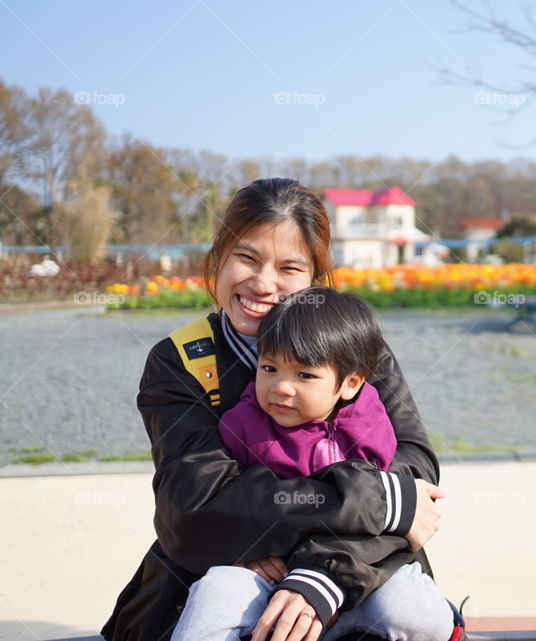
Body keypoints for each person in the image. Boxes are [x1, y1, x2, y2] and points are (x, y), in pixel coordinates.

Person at [102, 178, 456, 641]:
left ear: (316, 280)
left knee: (413, 614)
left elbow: (414, 474)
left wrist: (321, 571)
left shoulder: (354, 350)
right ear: (218, 259)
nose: (263, 283)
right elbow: (193, 511)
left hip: (355, 565)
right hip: (224, 570)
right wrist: (377, 503)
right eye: (246, 258)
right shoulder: (182, 361)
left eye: (289, 268)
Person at [171, 287, 454, 641]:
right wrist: (243, 545)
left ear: (349, 383)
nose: (282, 388)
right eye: (269, 368)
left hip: (360, 573)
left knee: (414, 610)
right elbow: (227, 503)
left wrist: (321, 576)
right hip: (268, 572)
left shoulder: (370, 424)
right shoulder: (241, 426)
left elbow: (391, 523)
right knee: (216, 595)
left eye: (304, 375)